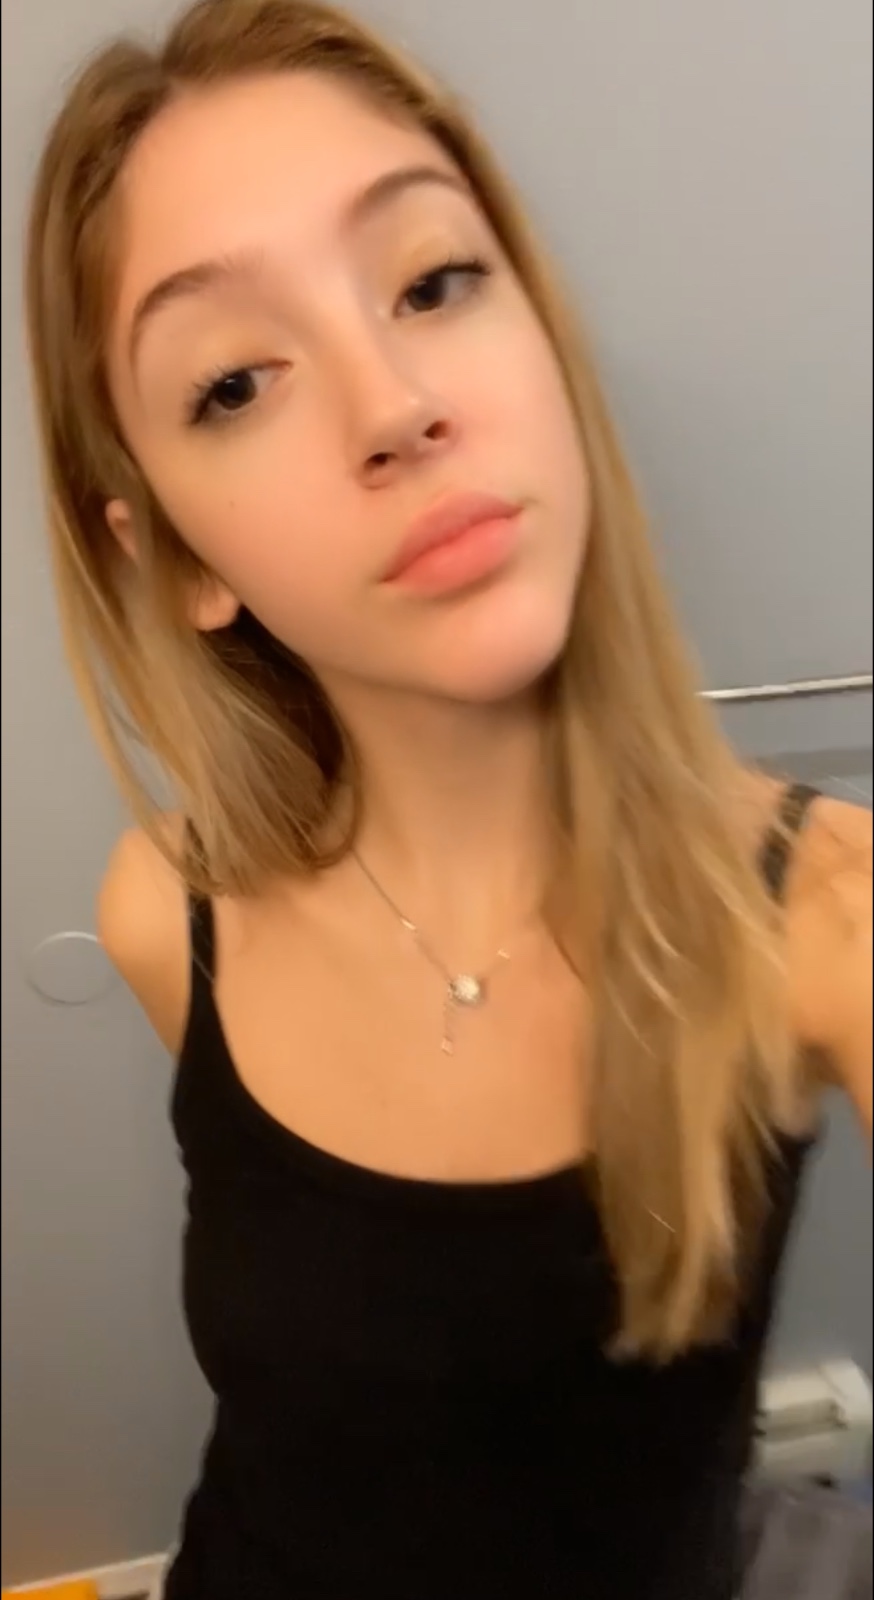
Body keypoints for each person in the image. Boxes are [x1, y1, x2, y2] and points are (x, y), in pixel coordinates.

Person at [25, 2, 871, 1596]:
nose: (393, 404)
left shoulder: (832, 927)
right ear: (175, 557)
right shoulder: (168, 912)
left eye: (430, 282)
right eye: (233, 383)